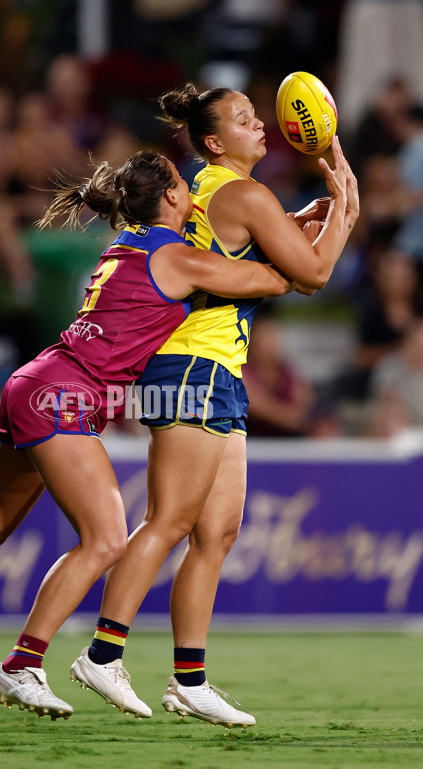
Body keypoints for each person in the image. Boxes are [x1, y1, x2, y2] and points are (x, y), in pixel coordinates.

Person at [0, 150, 295, 718]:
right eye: (181, 184)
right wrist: (303, 231)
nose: (191, 189)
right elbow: (275, 278)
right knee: (106, 537)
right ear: (169, 197)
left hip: (36, 381)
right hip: (64, 395)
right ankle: (22, 664)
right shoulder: (176, 256)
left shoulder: (127, 245)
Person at [70, 83, 358, 728]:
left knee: (217, 531)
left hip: (211, 370)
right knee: (170, 520)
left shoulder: (206, 189)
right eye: (245, 119)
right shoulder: (244, 193)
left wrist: (306, 220)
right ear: (213, 141)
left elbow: (246, 249)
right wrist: (345, 212)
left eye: (258, 116)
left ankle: (190, 680)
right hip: (194, 366)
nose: (261, 125)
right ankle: (102, 653)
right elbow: (310, 277)